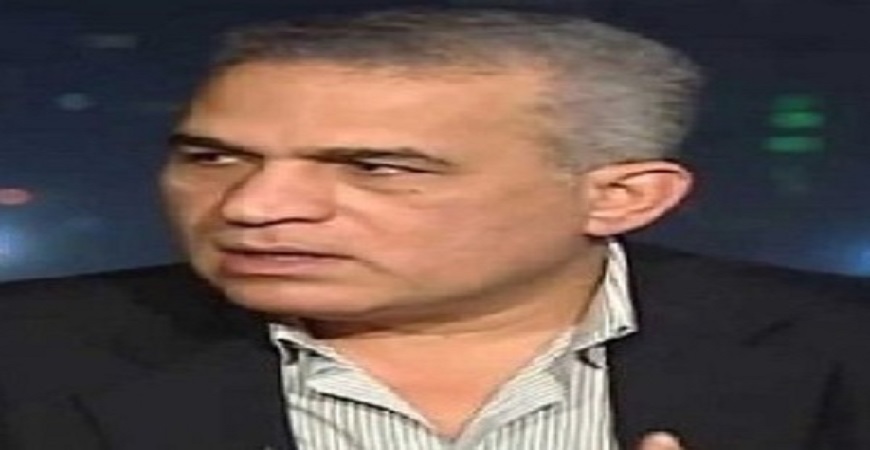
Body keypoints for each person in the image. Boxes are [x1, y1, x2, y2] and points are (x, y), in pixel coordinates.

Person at [1, 8, 869, 450]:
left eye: (376, 168)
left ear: (621, 197)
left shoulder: (842, 350)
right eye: (214, 157)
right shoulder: (25, 354)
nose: (253, 207)